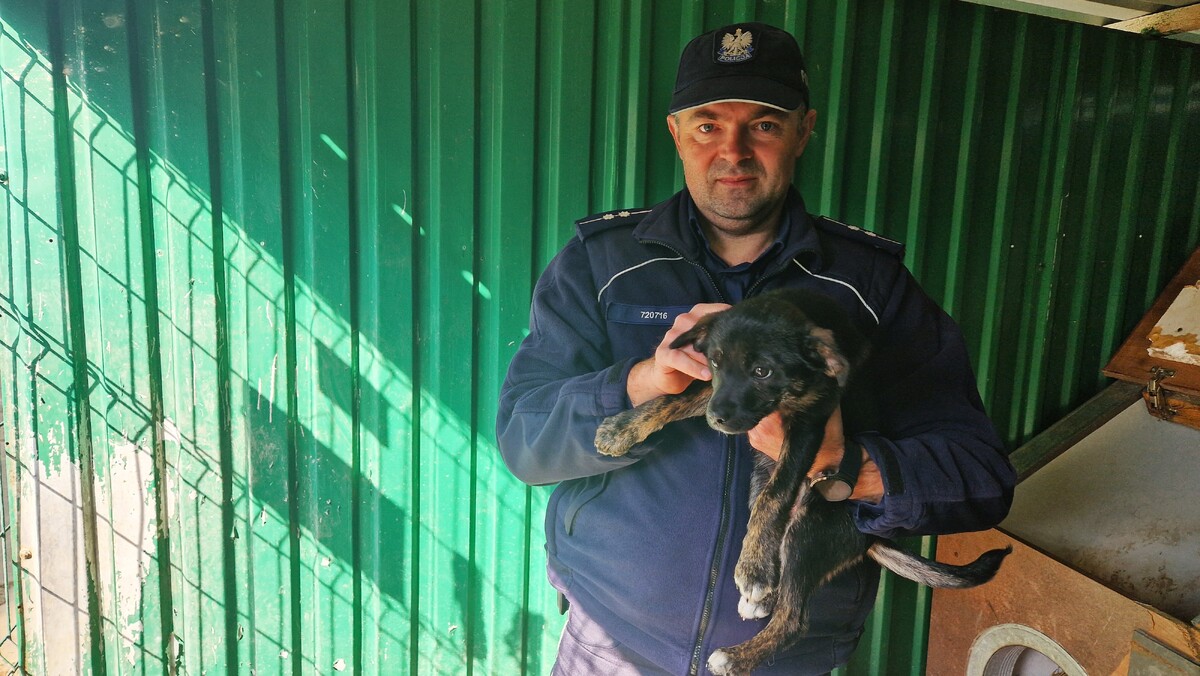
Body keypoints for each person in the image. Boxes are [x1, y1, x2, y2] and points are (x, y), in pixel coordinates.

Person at [496, 22, 1016, 675]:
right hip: (610, 640)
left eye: (764, 125)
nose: (733, 151)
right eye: (707, 125)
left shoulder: (868, 285)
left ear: (804, 131)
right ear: (676, 133)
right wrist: (641, 382)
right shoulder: (603, 265)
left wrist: (839, 463)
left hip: (786, 658)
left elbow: (979, 479)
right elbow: (524, 443)